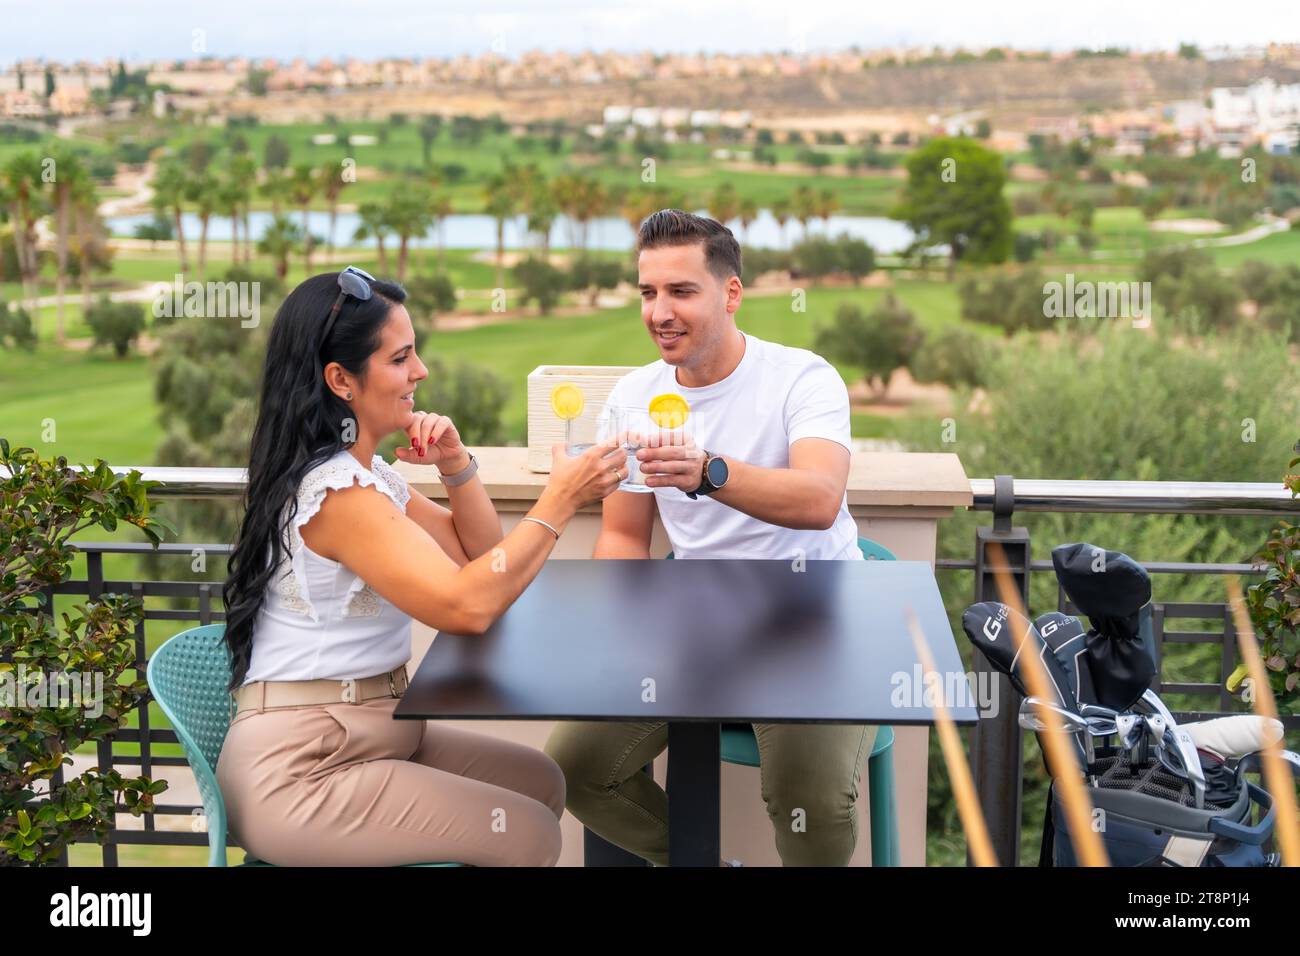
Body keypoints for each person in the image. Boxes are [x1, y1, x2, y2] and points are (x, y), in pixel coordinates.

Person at [217, 267, 627, 866]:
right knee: (529, 834)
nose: (420, 373)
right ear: (341, 380)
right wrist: (561, 498)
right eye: (401, 358)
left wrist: (457, 466)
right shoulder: (339, 497)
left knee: (540, 781)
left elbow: (479, 561)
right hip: (304, 768)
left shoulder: (371, 477)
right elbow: (467, 606)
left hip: (376, 736)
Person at [544, 211, 874, 866]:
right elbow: (623, 538)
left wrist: (707, 472)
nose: (659, 312)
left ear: (730, 294)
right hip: (696, 624)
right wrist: (612, 635)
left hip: (813, 617)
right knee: (575, 769)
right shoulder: (633, 396)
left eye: (681, 291)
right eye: (648, 293)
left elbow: (819, 498)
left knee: (811, 801)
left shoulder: (802, 379)